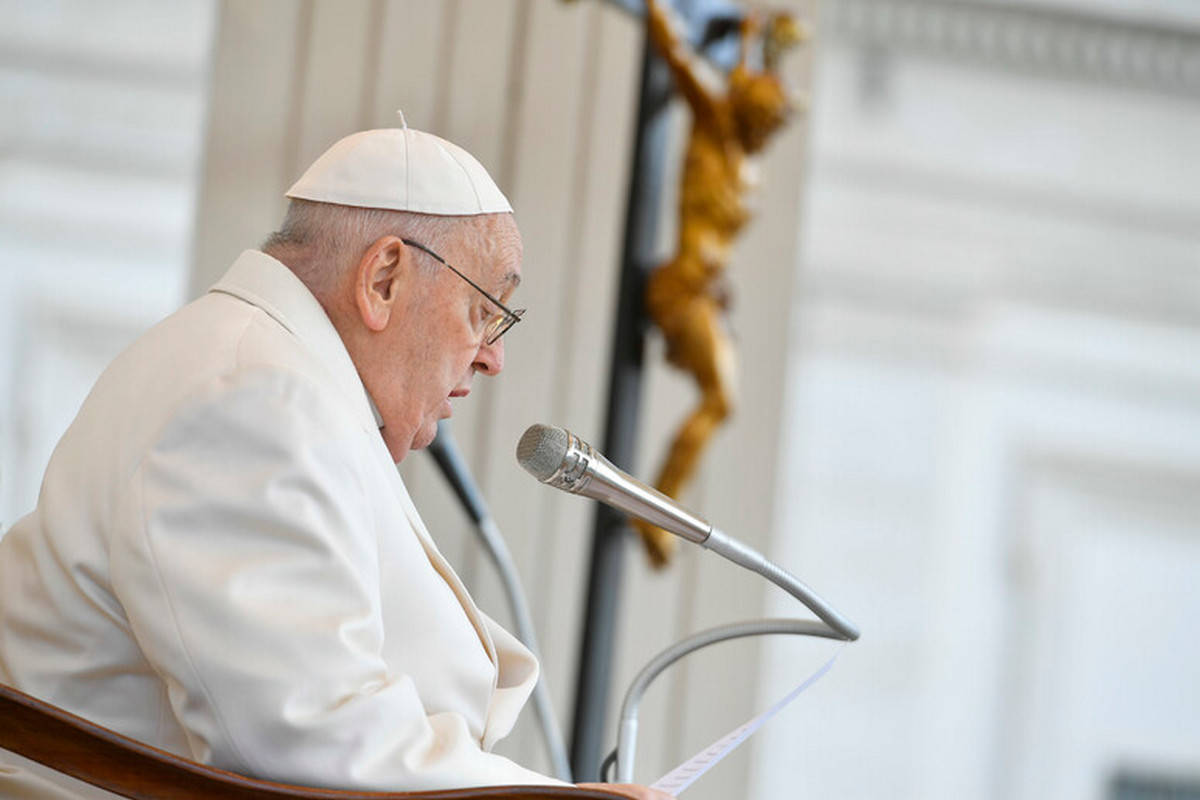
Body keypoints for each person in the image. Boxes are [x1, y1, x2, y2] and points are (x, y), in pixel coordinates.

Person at [0, 122, 669, 799]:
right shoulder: (254, 396)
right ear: (382, 278)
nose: (493, 357)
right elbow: (311, 736)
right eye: (484, 310)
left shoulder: (260, 368)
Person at [634, 0, 804, 567]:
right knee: (720, 399)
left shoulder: (747, 155)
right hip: (680, 286)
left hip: (709, 290)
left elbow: (743, 72)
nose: (767, 136)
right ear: (748, 114)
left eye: (773, 129)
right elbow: (678, 52)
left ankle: (656, 508)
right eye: (764, 124)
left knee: (723, 399)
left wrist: (755, 37)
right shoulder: (713, 120)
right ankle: (655, 508)